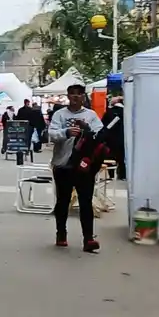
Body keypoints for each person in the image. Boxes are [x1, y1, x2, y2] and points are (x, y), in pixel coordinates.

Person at [47, 83, 104, 253]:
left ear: (83, 96)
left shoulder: (91, 115)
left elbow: (100, 135)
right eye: (72, 94)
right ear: (68, 96)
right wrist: (66, 132)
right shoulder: (59, 114)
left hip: (84, 166)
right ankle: (61, 233)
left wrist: (86, 130)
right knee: (62, 201)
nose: (75, 97)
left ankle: (88, 239)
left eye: (79, 94)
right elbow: (51, 134)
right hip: (63, 164)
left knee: (85, 202)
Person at [102, 95, 126, 180]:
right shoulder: (127, 112)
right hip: (124, 139)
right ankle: (122, 175)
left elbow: (103, 126)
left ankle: (111, 175)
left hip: (110, 140)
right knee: (122, 158)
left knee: (110, 157)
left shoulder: (108, 112)